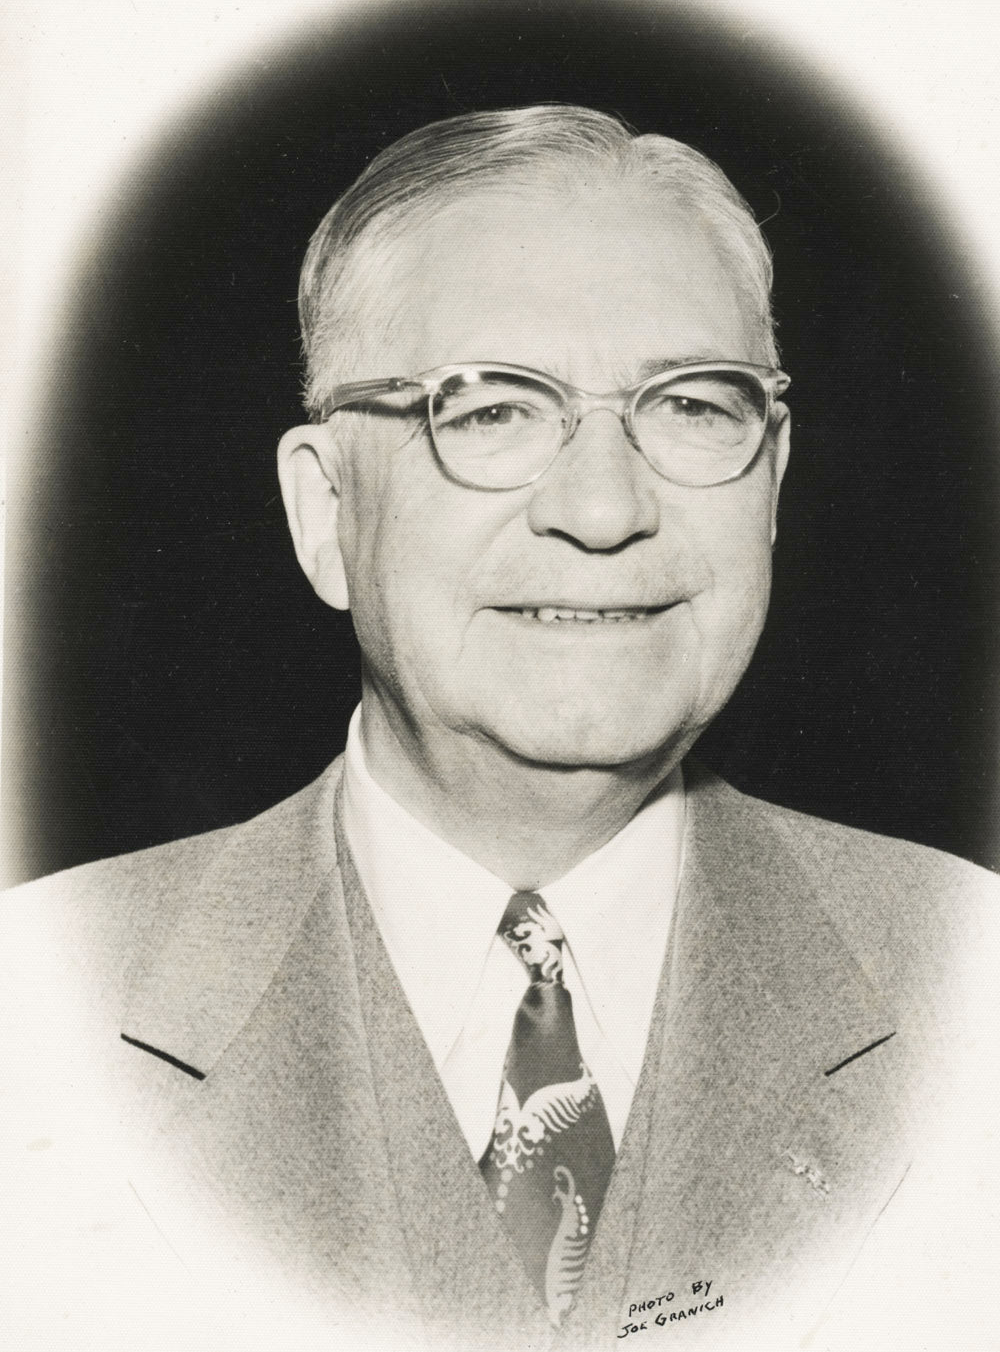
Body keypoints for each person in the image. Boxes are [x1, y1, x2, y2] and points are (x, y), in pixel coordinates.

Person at [2, 105, 997, 1352]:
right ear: (324, 513)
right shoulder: (31, 1015)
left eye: (690, 406)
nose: (600, 507)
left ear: (773, 479)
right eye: (489, 411)